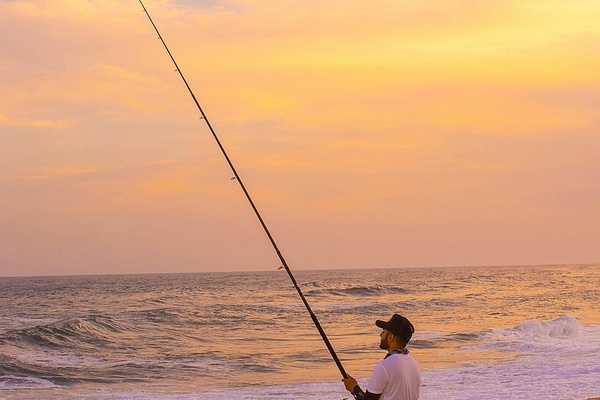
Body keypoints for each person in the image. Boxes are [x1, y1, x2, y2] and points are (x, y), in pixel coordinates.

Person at [342, 314, 420, 400]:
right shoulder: (413, 364)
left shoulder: (385, 366)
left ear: (390, 337)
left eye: (383, 332)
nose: (380, 335)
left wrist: (354, 388)